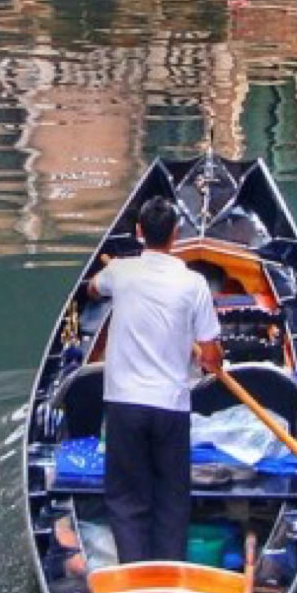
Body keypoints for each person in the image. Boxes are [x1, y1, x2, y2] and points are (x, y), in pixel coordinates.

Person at [82, 196, 223, 563]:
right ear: (176, 234)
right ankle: (167, 577)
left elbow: (92, 290)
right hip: (170, 407)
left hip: (125, 405)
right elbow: (211, 357)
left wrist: (108, 282)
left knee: (128, 499)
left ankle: (135, 576)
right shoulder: (194, 284)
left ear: (139, 232)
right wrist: (207, 358)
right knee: (171, 498)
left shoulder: (121, 272)